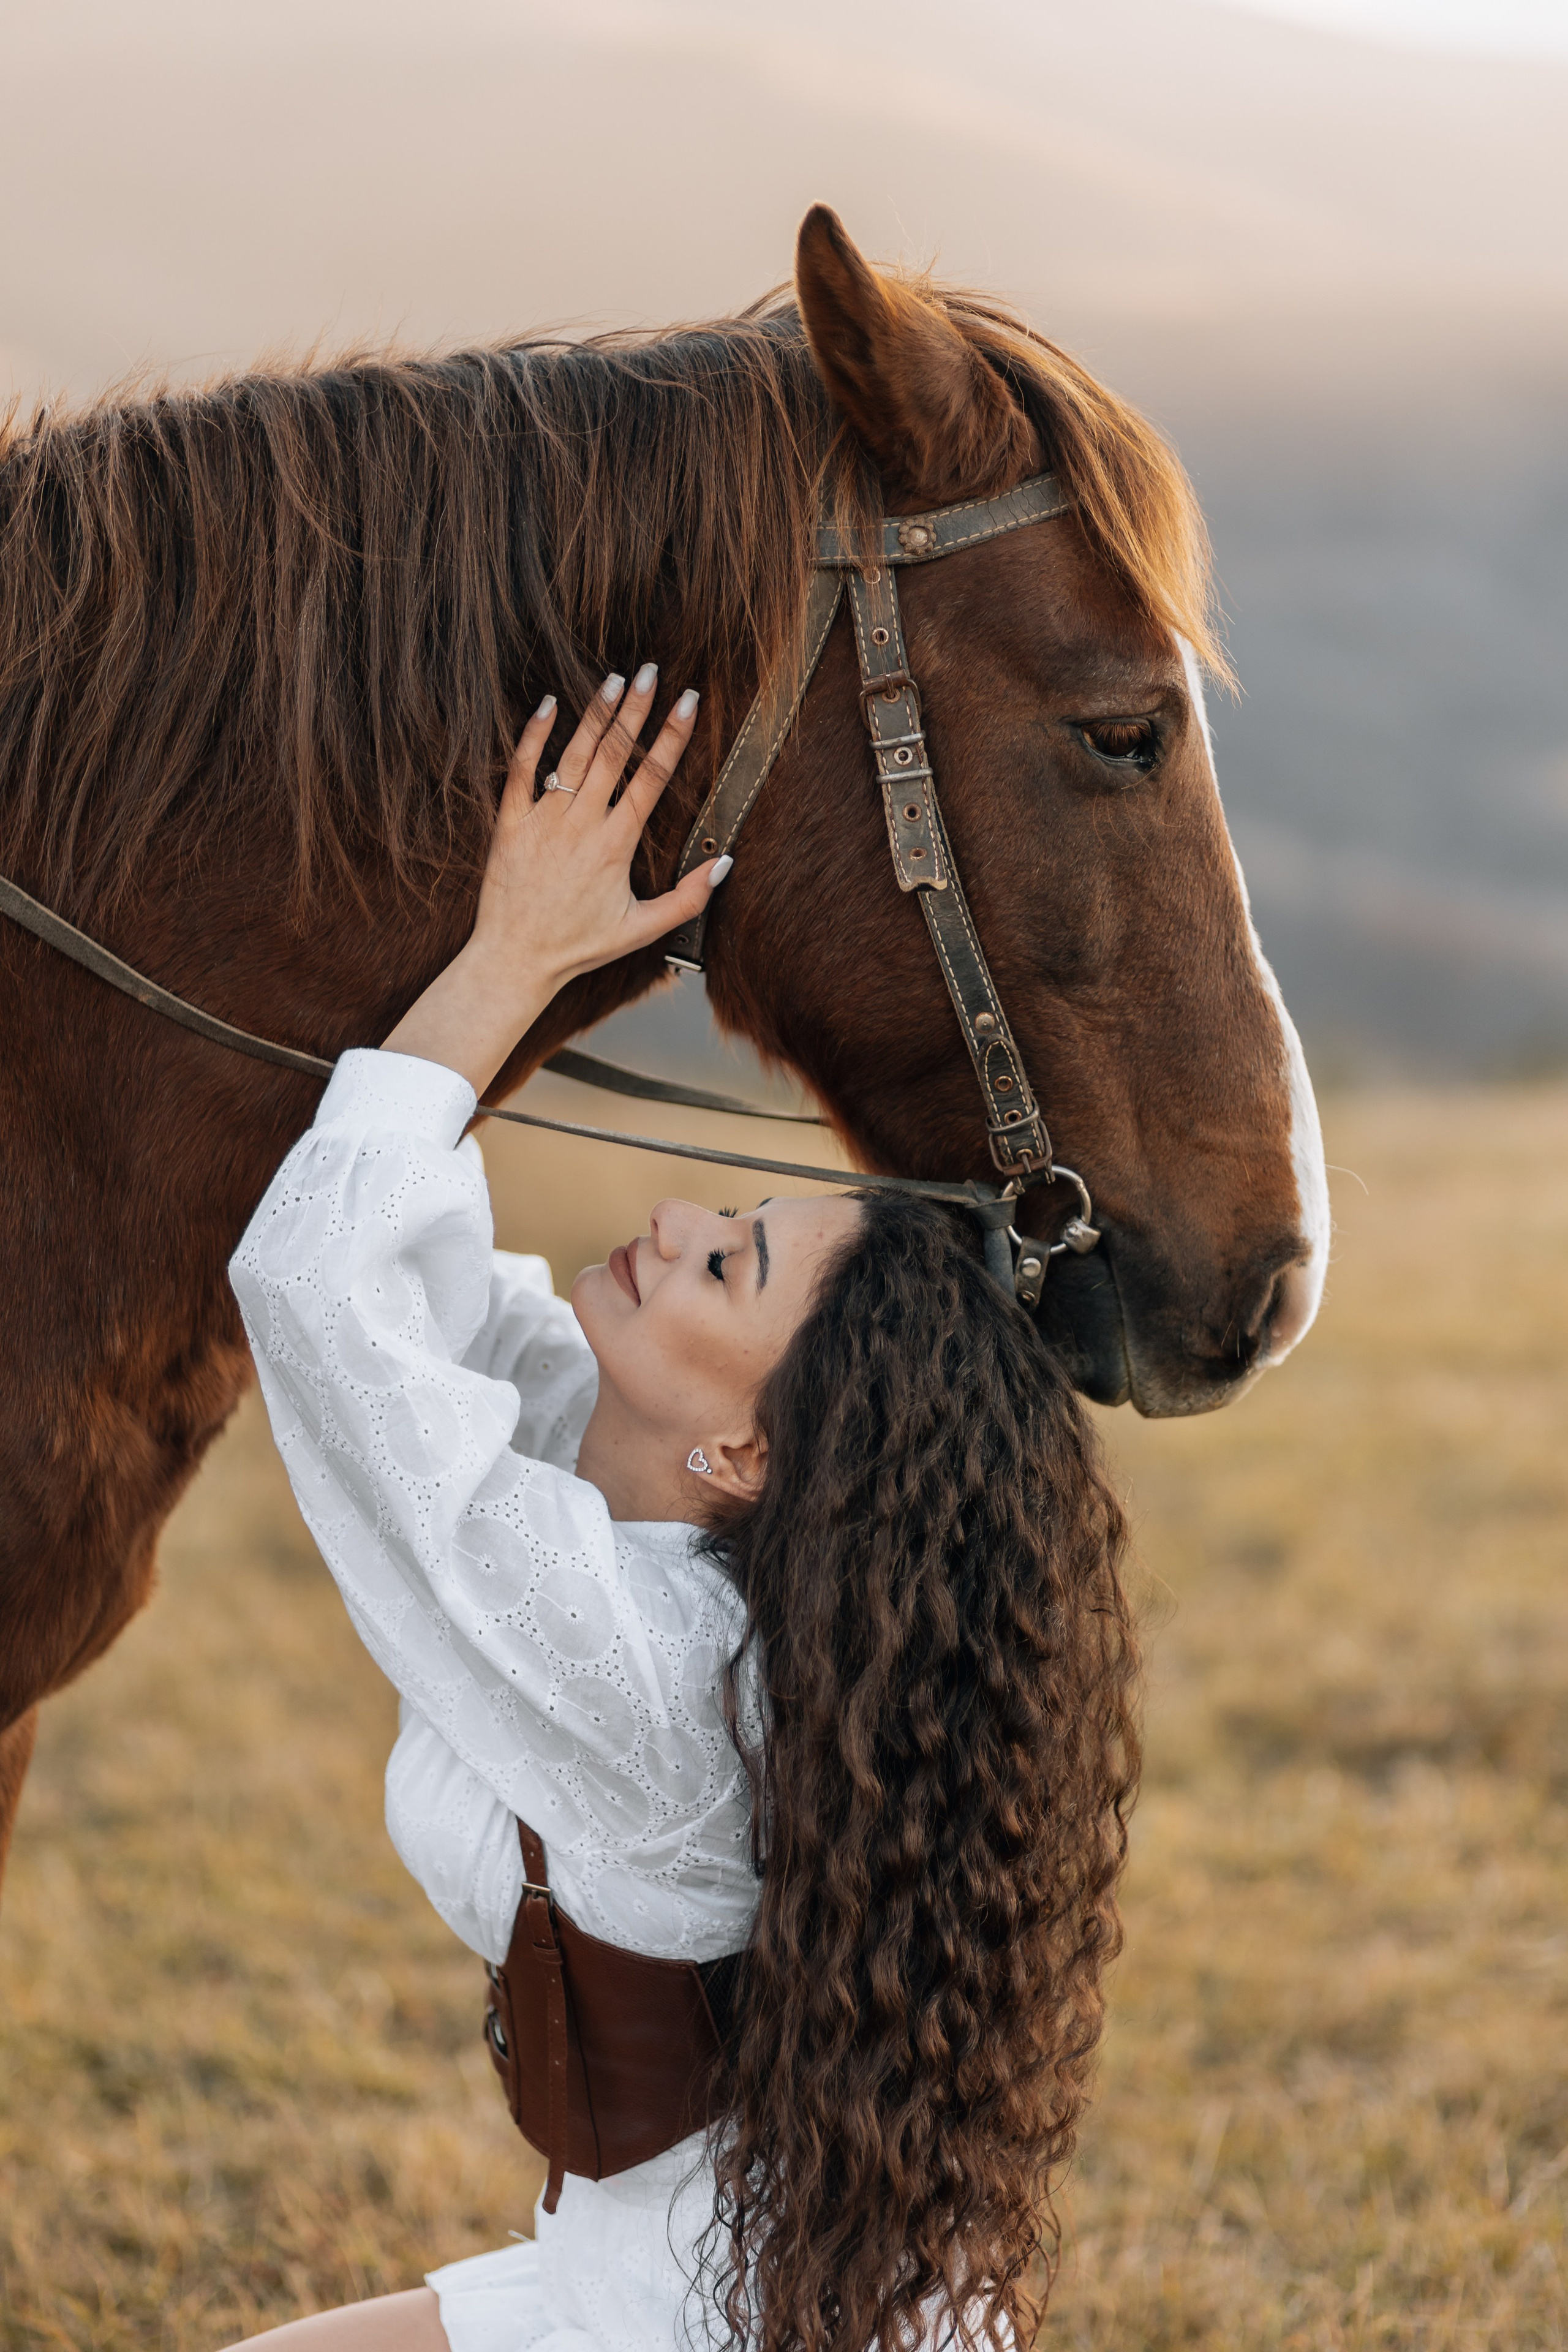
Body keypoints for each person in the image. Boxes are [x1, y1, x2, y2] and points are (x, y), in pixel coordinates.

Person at [226, 665, 1140, 2352]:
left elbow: (322, 1287)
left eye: (729, 1261)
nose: (667, 1218)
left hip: (713, 2322)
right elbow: (425, 1312)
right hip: (694, 2285)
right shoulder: (652, 1492)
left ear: (749, 1454)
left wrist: (511, 964)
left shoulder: (654, 1673)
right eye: (727, 1215)